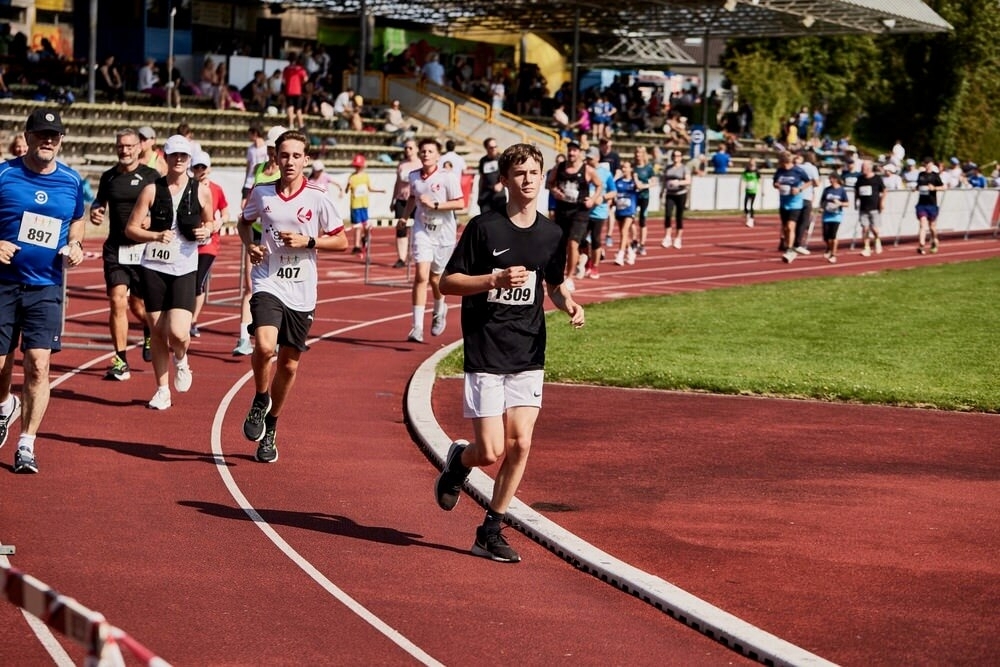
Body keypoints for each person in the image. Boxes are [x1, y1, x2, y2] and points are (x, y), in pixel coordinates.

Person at [435, 142, 585, 563]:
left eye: (534, 172)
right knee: (490, 451)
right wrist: (493, 279)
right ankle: (459, 463)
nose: (527, 179)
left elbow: (553, 284)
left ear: (543, 178)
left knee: (520, 444)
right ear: (503, 180)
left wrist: (568, 301)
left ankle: (490, 529)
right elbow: (447, 284)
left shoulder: (552, 233)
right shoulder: (484, 228)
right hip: (486, 348)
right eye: (518, 173)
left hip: (528, 348)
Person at [238, 130, 348, 463]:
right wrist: (251, 245)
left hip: (302, 289)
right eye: (284, 155)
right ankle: (260, 398)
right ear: (275, 156)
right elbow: (244, 223)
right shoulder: (262, 192)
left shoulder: (318, 195)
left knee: (288, 365)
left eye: (296, 156)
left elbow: (341, 241)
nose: (290, 162)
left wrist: (308, 242)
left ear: (306, 159)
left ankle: (272, 425)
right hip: (268, 280)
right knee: (265, 346)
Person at [0, 109, 87, 473]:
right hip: (3, 284)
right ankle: (5, 403)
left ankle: (26, 443)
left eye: (54, 135)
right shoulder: (4, 173)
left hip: (46, 286)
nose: (48, 140)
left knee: (38, 364)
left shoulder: (71, 181)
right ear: (29, 136)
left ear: (61, 140)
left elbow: (78, 220)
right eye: (41, 134)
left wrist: (77, 245)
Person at [124, 135, 214, 410]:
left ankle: (182, 358)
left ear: (189, 159)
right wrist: (153, 236)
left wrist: (206, 230)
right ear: (165, 155)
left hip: (184, 267)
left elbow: (211, 222)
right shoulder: (152, 190)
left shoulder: (200, 190)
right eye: (174, 155)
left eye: (184, 156)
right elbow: (131, 228)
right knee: (157, 331)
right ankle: (162, 389)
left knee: (178, 331)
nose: (179, 160)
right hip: (154, 266)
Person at [90, 128, 160, 380]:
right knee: (117, 299)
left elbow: (165, 209)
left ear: (139, 147)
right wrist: (96, 212)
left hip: (144, 251)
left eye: (129, 146)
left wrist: (152, 218)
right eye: (121, 146)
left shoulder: (152, 176)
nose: (125, 150)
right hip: (116, 249)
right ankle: (120, 359)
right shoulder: (109, 177)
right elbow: (100, 203)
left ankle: (149, 332)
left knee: (140, 307)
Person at [397, 138, 464, 343]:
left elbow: (460, 203)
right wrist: (405, 217)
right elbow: (411, 198)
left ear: (437, 155)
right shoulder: (414, 176)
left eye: (430, 151)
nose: (426, 154)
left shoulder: (447, 177)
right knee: (421, 276)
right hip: (422, 230)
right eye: (423, 151)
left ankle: (439, 309)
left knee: (436, 279)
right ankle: (416, 327)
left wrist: (435, 204)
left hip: (443, 233)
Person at [234, 125, 285, 357]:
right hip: (255, 232)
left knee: (277, 286)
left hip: (275, 235)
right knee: (250, 285)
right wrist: (246, 209)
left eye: (276, 148)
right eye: (271, 147)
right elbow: (250, 193)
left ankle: (274, 335)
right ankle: (244, 338)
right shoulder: (259, 168)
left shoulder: (286, 172)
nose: (272, 152)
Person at [546, 141, 602, 291]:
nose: (571, 153)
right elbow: (549, 183)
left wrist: (593, 199)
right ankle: (559, 274)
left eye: (574, 150)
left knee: (573, 243)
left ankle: (569, 277)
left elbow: (599, 185)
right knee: (560, 245)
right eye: (570, 150)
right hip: (563, 210)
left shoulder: (587, 170)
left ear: (579, 153)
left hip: (580, 211)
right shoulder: (560, 167)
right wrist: (554, 191)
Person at [190, 151, 229, 337]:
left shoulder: (216, 189)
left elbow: (225, 211)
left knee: (198, 282)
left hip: (208, 244)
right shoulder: (187, 188)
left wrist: (219, 222)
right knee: (186, 282)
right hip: (188, 242)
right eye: (196, 167)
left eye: (203, 167)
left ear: (209, 168)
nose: (200, 170)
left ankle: (192, 320)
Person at [773, 151, 812, 263]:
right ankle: (788, 246)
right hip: (783, 202)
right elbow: (775, 182)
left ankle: (790, 250)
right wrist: (777, 185)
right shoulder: (779, 171)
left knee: (790, 226)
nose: (782, 165)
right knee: (785, 228)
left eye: (783, 163)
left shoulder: (798, 171)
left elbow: (809, 182)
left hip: (795, 203)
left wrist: (799, 189)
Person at [390, 139, 421, 269]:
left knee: (417, 229)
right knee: (401, 229)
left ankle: (416, 255)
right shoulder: (402, 164)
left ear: (416, 149)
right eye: (406, 148)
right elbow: (397, 183)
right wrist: (392, 200)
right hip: (401, 200)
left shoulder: (420, 164)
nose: (408, 150)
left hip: (416, 201)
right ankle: (401, 258)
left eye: (410, 148)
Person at [346, 153, 384, 256]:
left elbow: (369, 188)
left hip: (364, 205)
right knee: (357, 226)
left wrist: (380, 191)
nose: (357, 168)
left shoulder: (366, 177)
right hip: (355, 206)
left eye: (359, 166)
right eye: (356, 166)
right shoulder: (352, 177)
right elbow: (347, 190)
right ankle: (356, 246)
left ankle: (365, 238)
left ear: (363, 166)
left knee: (366, 226)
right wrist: (347, 185)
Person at [854, 159, 886, 257]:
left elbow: (884, 191)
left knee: (874, 228)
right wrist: (855, 201)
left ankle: (877, 239)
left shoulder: (877, 178)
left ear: (869, 168)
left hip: (874, 207)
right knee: (865, 228)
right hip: (863, 207)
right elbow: (856, 191)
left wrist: (882, 203)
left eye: (863, 167)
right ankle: (866, 247)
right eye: (862, 167)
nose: (862, 169)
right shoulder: (860, 179)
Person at [661, 149, 691, 249]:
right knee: (668, 215)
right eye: (674, 155)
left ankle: (678, 238)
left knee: (679, 216)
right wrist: (662, 192)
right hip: (670, 194)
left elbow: (688, 181)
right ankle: (667, 237)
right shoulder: (668, 168)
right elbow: (664, 180)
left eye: (678, 156)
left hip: (680, 194)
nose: (676, 158)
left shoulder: (684, 168)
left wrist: (678, 183)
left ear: (681, 157)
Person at [915, 157, 945, 255]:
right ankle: (921, 244)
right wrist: (915, 188)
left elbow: (944, 187)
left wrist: (934, 188)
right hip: (921, 204)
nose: (927, 165)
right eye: (925, 163)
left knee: (932, 226)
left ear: (932, 164)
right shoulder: (921, 175)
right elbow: (918, 185)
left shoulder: (935, 176)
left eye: (929, 163)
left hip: (932, 204)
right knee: (922, 224)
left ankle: (934, 239)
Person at [612, 159, 640, 266]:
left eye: (626, 167)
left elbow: (640, 187)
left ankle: (620, 254)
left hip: (630, 210)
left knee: (624, 230)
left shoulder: (633, 182)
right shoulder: (618, 182)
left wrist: (635, 178)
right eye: (623, 167)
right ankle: (631, 251)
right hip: (619, 210)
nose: (624, 169)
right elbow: (612, 190)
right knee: (623, 234)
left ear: (631, 169)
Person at [819, 171, 849, 263]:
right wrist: (821, 208)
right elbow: (823, 201)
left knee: (833, 236)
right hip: (826, 216)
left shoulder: (842, 190)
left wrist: (840, 203)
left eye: (831, 178)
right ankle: (828, 247)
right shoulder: (827, 190)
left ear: (836, 179)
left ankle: (833, 254)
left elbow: (847, 203)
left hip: (836, 216)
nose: (829, 180)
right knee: (826, 237)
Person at [631, 146, 654, 255]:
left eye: (640, 153)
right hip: (633, 196)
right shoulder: (632, 167)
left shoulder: (648, 168)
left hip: (644, 196)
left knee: (642, 221)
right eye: (636, 152)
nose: (638, 155)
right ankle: (634, 241)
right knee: (631, 219)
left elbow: (653, 182)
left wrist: (643, 186)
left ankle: (642, 244)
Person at [477, 138, 506, 216]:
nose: (494, 149)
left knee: (500, 220)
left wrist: (501, 184)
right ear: (486, 148)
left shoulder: (502, 159)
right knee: (485, 220)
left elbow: (508, 175)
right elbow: (481, 178)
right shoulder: (483, 160)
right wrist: (479, 195)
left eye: (495, 147)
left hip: (498, 196)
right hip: (485, 196)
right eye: (491, 147)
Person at [282, 54, 308, 131]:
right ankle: (301, 125)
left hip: (289, 91)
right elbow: (305, 79)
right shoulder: (300, 69)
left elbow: (283, 81)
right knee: (298, 109)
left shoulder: (286, 69)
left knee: (290, 108)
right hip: (298, 91)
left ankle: (291, 125)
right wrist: (300, 83)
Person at [742, 156, 761, 227]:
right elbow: (743, 179)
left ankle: (751, 220)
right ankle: (748, 216)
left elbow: (759, 180)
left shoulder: (757, 171)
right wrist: (741, 188)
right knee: (745, 206)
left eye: (753, 162)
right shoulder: (746, 170)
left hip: (754, 190)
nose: (751, 164)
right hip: (747, 190)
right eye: (750, 162)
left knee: (751, 206)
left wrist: (761, 190)